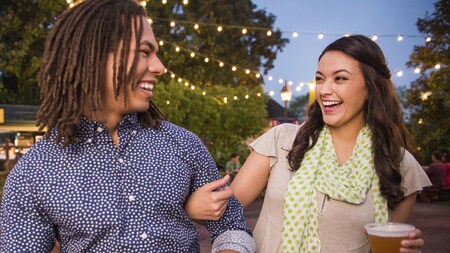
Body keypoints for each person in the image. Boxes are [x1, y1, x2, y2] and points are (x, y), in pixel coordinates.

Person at [0, 0, 255, 252]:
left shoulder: (184, 144)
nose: (160, 67)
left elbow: (233, 228)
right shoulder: (34, 172)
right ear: (94, 55)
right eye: (145, 52)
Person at [186, 35, 431, 252]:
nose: (324, 89)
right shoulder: (282, 139)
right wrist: (193, 206)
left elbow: (389, 244)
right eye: (320, 79)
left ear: (370, 87)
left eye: (340, 78)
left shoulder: (400, 165)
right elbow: (227, 210)